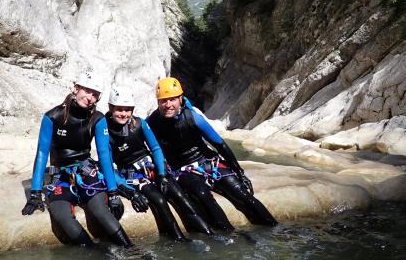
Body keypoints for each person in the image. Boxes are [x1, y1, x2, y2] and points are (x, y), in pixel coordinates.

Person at [21, 73, 145, 248]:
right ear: (76, 88)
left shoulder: (98, 119)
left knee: (99, 210)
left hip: (87, 172)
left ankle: (132, 251)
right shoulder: (53, 116)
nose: (90, 98)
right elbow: (41, 153)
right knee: (61, 216)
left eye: (95, 94)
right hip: (61, 176)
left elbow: (104, 156)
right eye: (87, 91)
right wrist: (35, 193)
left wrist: (113, 192)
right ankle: (94, 253)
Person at [146, 77, 278, 232]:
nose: (168, 105)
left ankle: (275, 229)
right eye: (164, 101)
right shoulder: (151, 123)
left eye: (172, 100)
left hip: (207, 161)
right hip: (180, 170)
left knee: (242, 195)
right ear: (158, 102)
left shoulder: (193, 117)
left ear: (180, 99)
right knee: (202, 195)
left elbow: (219, 144)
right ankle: (230, 235)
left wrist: (239, 172)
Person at [95, 86, 214, 241]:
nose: (123, 114)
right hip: (134, 176)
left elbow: (156, 148)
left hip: (152, 169)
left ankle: (208, 234)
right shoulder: (105, 130)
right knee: (159, 201)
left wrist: (162, 174)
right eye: (119, 109)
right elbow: (106, 164)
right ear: (111, 108)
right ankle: (180, 240)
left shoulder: (140, 123)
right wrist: (122, 192)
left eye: (127, 109)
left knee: (180, 197)